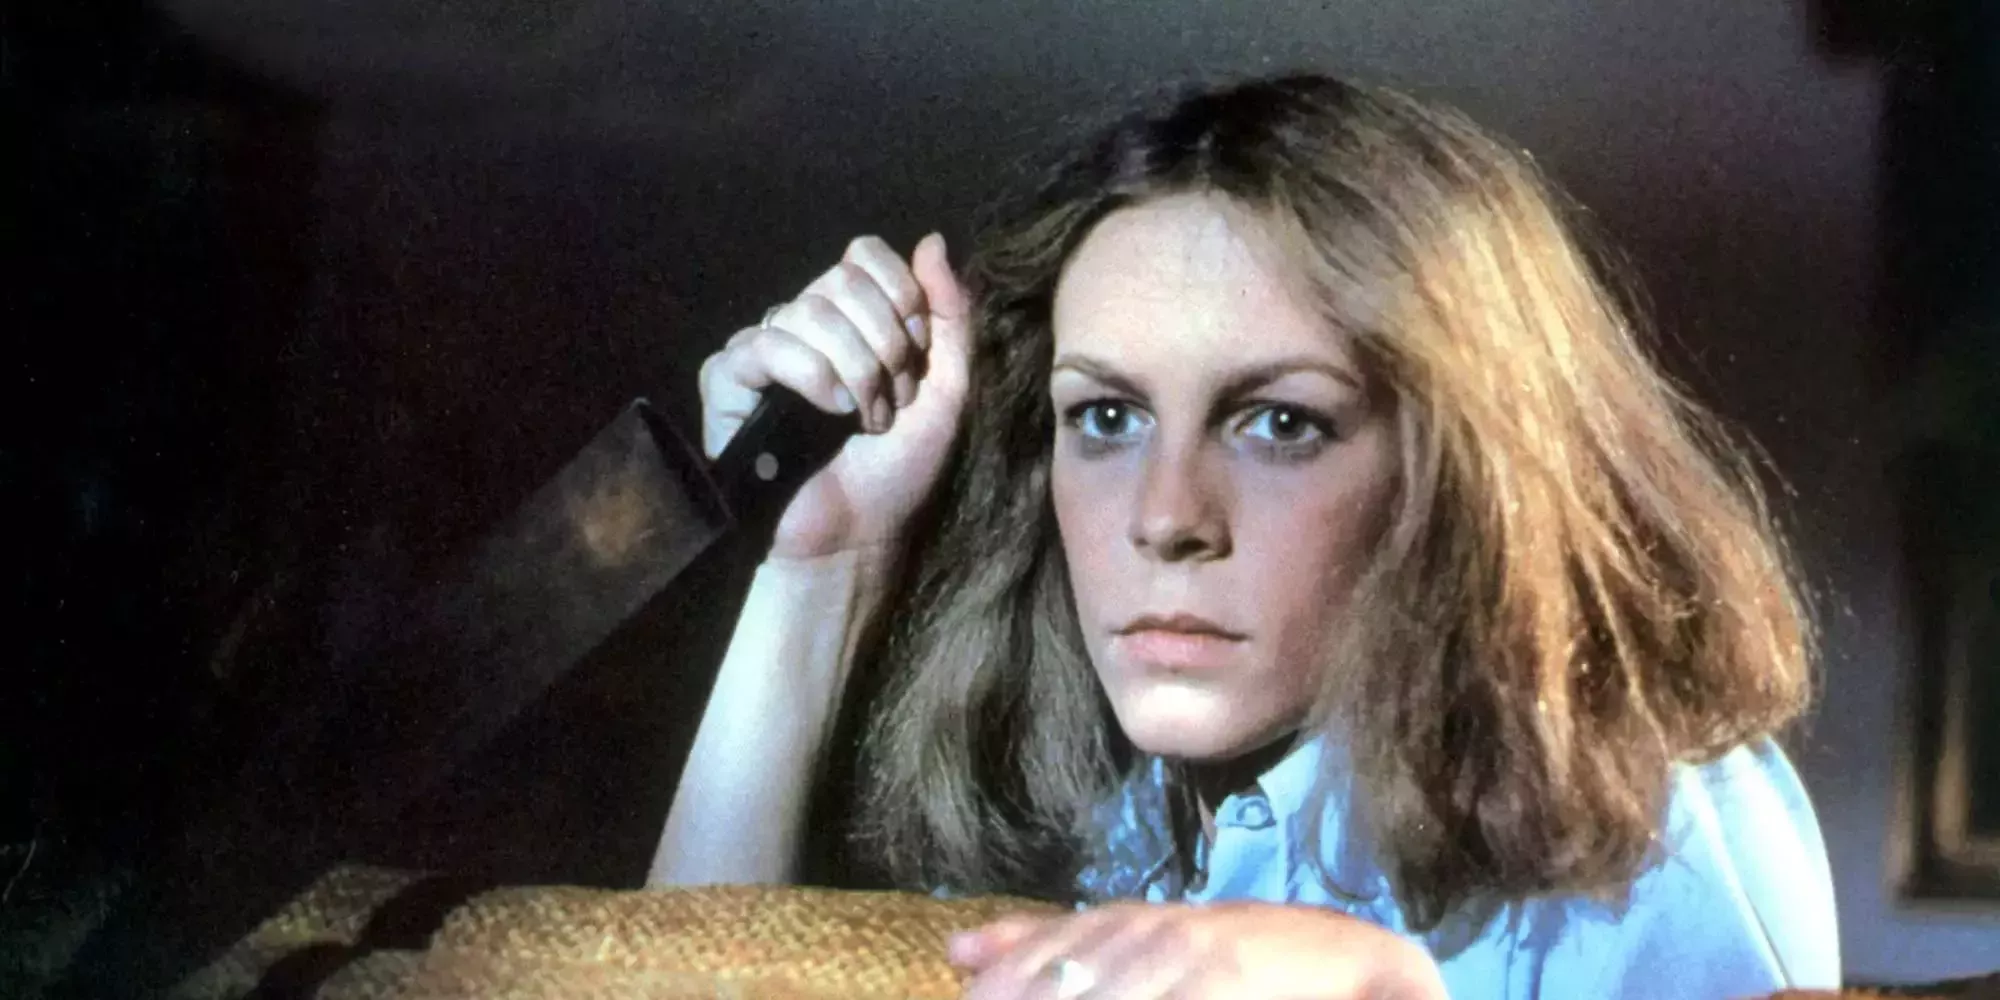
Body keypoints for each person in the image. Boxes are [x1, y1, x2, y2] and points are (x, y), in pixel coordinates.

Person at [647, 72, 1842, 999]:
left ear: (1457, 470)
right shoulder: (1122, 812)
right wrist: (820, 567)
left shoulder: (1649, 818)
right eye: (1105, 417)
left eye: (1278, 422)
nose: (1165, 517)